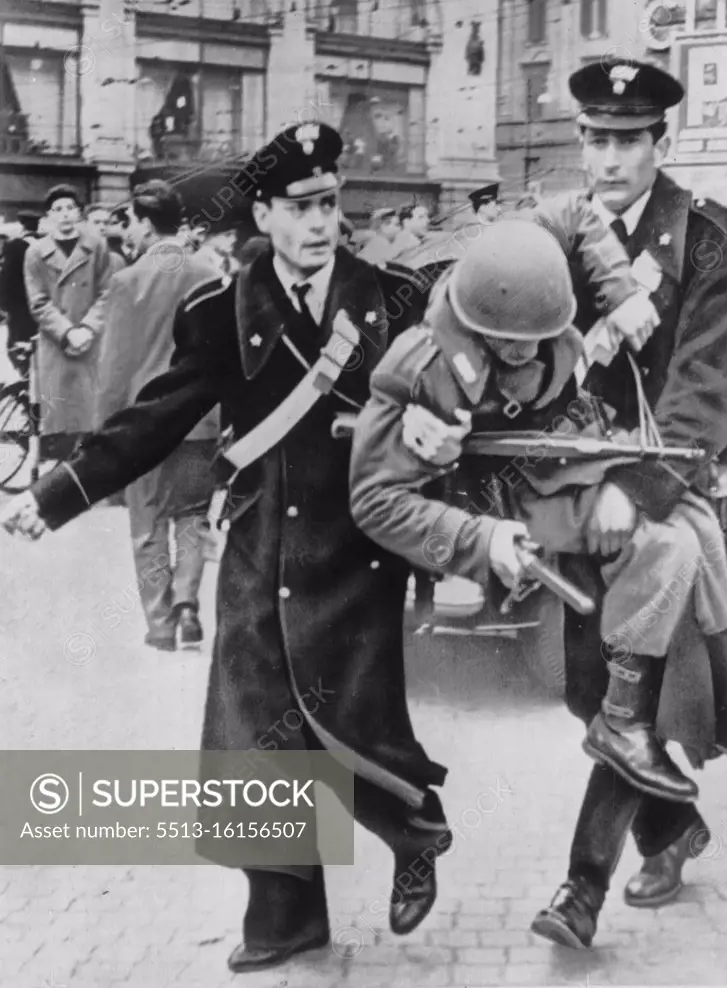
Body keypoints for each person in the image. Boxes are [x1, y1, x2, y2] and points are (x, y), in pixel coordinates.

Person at [0, 122, 450, 975]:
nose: (322, 223)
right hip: (257, 548)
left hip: (356, 550)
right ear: (267, 215)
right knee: (254, 738)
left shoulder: (387, 297)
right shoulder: (219, 311)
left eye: (331, 204)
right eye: (302, 208)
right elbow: (154, 417)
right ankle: (285, 919)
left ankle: (416, 832)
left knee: (352, 719)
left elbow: (435, 395)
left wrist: (433, 432)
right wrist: (55, 497)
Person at [393, 58, 727, 948]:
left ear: (662, 143)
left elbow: (705, 392)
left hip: (688, 496)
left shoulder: (718, 241)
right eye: (595, 141)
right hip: (579, 495)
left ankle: (580, 888)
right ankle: (671, 827)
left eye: (627, 142)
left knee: (635, 700)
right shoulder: (552, 241)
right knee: (589, 690)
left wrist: (632, 491)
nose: (609, 160)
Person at [350, 215, 727, 801]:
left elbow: (578, 218)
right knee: (669, 543)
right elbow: (374, 500)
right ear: (475, 321)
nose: (529, 349)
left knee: (698, 520)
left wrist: (618, 295)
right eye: (511, 339)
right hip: (503, 505)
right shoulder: (424, 368)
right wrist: (479, 539)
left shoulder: (543, 306)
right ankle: (621, 719)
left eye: (541, 334)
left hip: (565, 465)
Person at [93, 181, 220, 651]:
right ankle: (188, 603)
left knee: (147, 524)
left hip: (145, 423)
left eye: (130, 223)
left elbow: (114, 367)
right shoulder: (210, 272)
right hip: (202, 420)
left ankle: (161, 623)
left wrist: (105, 434)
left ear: (146, 224)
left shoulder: (128, 282)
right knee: (192, 515)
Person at [23, 184, 117, 461]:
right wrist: (67, 332)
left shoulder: (97, 247)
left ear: (78, 213)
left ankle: (89, 482)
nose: (64, 214)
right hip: (56, 346)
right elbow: (38, 301)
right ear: (50, 215)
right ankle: (61, 483)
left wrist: (88, 328)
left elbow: (107, 291)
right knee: (60, 421)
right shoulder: (36, 252)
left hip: (92, 343)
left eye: (70, 208)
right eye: (58, 209)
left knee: (92, 419)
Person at [0, 209, 41, 377]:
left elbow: (7, 277)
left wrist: (2, 305)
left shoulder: (14, 246)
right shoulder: (46, 244)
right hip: (42, 304)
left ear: (22, 225)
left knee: (16, 346)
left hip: (19, 307)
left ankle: (25, 378)